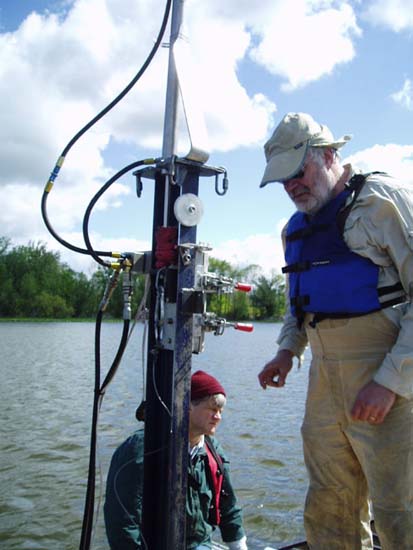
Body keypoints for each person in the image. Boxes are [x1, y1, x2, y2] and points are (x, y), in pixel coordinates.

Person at [257, 112, 413, 550]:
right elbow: (298, 305)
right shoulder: (294, 230)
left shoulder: (384, 202)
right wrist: (287, 351)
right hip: (323, 379)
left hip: (390, 372)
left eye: (297, 172)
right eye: (282, 180)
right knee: (329, 504)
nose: (292, 186)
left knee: (400, 508)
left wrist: (388, 383)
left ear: (328, 155)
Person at [104, 370, 247, 549]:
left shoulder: (213, 451)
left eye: (220, 411)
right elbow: (122, 520)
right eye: (212, 409)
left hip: (200, 545)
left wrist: (239, 546)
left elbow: (228, 507)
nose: (218, 417)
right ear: (188, 406)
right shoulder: (142, 448)